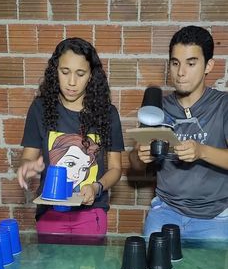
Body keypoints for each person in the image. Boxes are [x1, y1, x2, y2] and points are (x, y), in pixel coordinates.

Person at [129, 25, 228, 240]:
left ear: (208, 65)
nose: (181, 72)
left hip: (215, 217)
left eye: (191, 63)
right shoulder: (156, 108)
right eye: (175, 63)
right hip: (166, 210)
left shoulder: (223, 105)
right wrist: (140, 156)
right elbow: (135, 165)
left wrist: (201, 151)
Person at [17, 37, 124, 235]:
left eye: (80, 74)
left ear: (91, 75)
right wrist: (27, 165)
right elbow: (28, 156)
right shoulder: (40, 109)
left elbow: (116, 168)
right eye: (65, 72)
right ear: (55, 71)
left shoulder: (107, 113)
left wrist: (97, 187)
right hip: (50, 211)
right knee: (50, 266)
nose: (72, 82)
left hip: (91, 212)